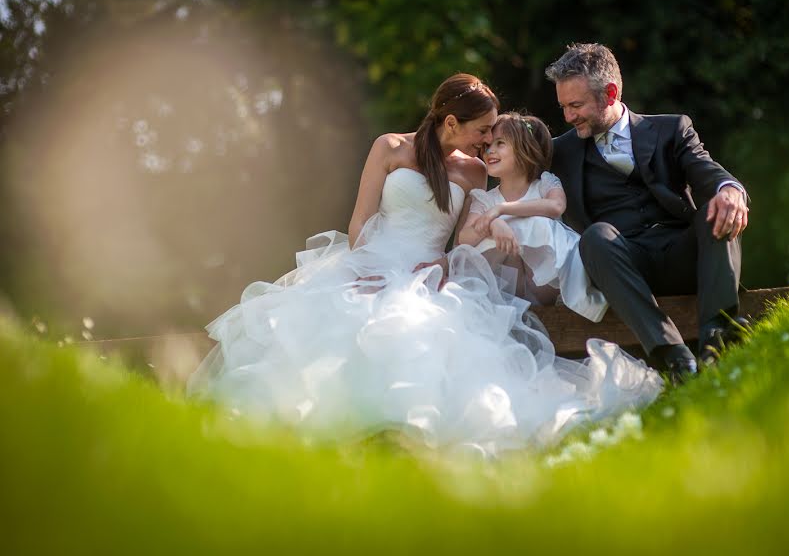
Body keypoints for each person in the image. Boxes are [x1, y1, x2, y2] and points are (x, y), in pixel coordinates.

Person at [188, 73, 663, 457]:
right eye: (482, 131)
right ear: (451, 121)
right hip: (370, 262)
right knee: (341, 322)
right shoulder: (390, 148)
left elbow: (466, 234)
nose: (487, 141)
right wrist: (363, 269)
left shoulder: (474, 171)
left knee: (421, 330)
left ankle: (407, 433)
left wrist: (472, 243)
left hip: (429, 273)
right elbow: (360, 222)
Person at [544, 43, 749, 381]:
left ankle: (717, 336)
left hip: (683, 256)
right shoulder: (561, 151)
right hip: (624, 267)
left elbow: (705, 170)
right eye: (563, 107)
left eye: (576, 105)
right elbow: (508, 155)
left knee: (716, 208)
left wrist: (730, 191)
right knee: (595, 237)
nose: (568, 117)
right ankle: (672, 355)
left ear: (609, 93)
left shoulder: (672, 128)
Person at [458, 112, 607, 322]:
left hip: (547, 284)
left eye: (500, 143)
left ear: (524, 148)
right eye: (487, 146)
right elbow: (465, 238)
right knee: (484, 241)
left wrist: (502, 210)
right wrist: (494, 224)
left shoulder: (544, 184)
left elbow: (556, 206)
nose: (490, 151)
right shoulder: (485, 200)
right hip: (507, 289)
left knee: (535, 224)